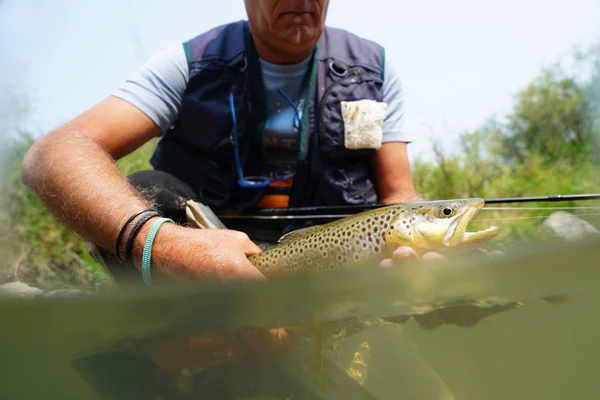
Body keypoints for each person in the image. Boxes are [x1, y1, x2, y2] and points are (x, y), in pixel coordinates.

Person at [21, 0, 446, 378]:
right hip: (200, 284)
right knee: (151, 191)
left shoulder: (375, 68)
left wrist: (437, 244)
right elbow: (54, 153)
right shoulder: (189, 63)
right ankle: (172, 346)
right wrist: (166, 245)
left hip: (333, 285)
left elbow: (399, 197)